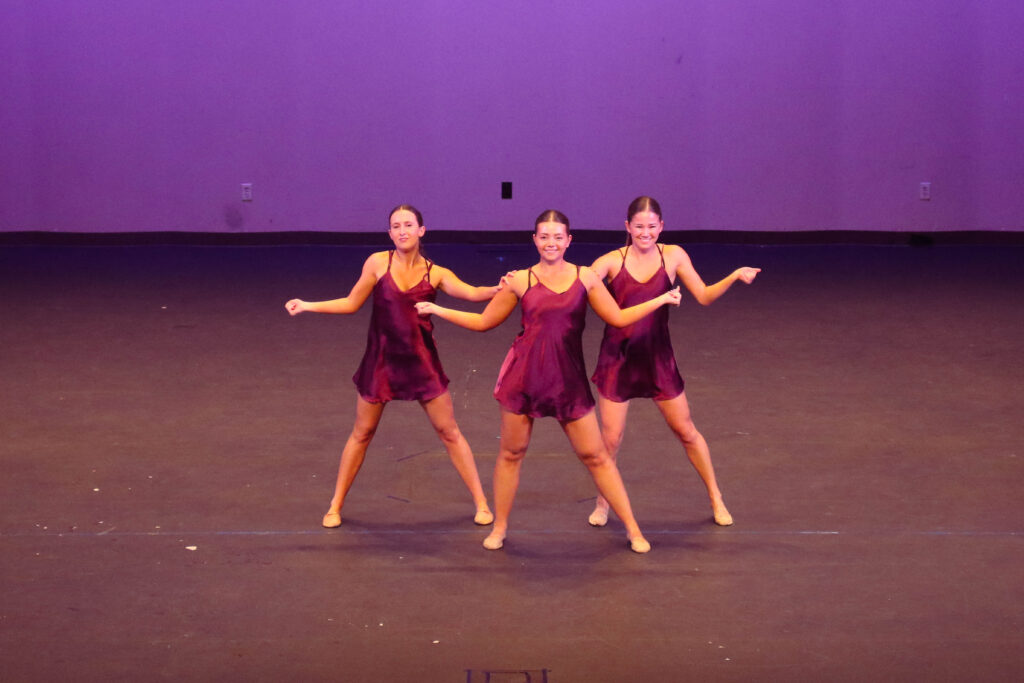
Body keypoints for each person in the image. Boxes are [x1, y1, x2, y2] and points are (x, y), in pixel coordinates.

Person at [415, 210, 681, 553]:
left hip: (568, 381)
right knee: (511, 453)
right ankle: (500, 527)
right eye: (544, 237)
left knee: (596, 456)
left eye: (558, 237)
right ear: (535, 240)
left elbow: (617, 317)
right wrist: (439, 310)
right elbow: (484, 322)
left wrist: (660, 299)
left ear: (569, 240)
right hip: (524, 379)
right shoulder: (520, 281)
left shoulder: (586, 277)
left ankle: (633, 529)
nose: (551, 243)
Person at [285, 204, 495, 528]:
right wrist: (307, 305)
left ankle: (481, 503)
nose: (402, 231)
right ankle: (335, 504)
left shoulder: (436, 273)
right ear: (389, 233)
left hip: (422, 363)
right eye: (396, 226)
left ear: (421, 230)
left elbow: (472, 293)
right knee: (362, 433)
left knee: (449, 431)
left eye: (408, 225)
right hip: (381, 363)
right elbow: (351, 303)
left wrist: (500, 288)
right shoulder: (377, 263)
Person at [587, 196, 760, 528]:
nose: (645, 233)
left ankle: (716, 496)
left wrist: (735, 275)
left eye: (652, 227)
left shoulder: (674, 255)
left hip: (658, 358)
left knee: (686, 431)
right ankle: (602, 501)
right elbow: (579, 286)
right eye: (639, 227)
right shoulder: (609, 261)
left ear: (661, 226)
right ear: (627, 227)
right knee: (610, 440)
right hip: (617, 360)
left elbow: (704, 295)